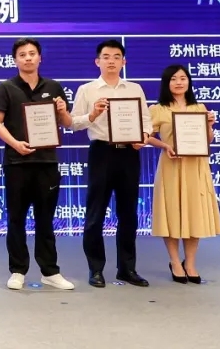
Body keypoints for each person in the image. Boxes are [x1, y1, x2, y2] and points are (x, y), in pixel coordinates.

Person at [0, 38, 76, 291]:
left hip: (46, 162)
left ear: (40, 58)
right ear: (15, 60)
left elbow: (67, 123)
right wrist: (15, 144)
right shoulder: (6, 87)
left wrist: (62, 110)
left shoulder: (53, 86)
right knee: (16, 218)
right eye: (22, 54)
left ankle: (50, 271)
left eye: (32, 53)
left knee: (45, 219)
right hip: (16, 162)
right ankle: (18, 270)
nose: (27, 58)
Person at [71, 39, 153, 288]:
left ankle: (127, 269)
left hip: (129, 153)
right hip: (102, 152)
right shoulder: (87, 90)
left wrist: (144, 137)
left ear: (123, 62)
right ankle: (96, 269)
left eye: (117, 57)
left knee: (128, 213)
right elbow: (73, 123)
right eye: (106, 57)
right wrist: (93, 114)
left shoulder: (134, 89)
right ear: (97, 61)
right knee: (95, 213)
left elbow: (146, 121)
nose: (111, 61)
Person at [145, 65, 220, 284]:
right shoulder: (157, 109)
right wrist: (165, 145)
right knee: (171, 213)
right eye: (174, 79)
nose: (179, 82)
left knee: (194, 213)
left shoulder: (199, 108)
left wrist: (209, 125)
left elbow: (208, 140)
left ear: (189, 81)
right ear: (166, 83)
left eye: (183, 78)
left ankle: (191, 263)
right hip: (171, 165)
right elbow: (146, 135)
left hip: (195, 166)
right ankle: (175, 262)